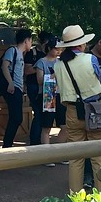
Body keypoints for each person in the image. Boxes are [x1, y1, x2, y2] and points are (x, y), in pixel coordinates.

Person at [53, 25, 101, 193]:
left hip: (71, 111)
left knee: (76, 158)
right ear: (82, 44)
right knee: (98, 156)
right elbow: (98, 78)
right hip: (94, 109)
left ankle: (75, 197)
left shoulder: (58, 65)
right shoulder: (90, 59)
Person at [34, 36, 66, 165]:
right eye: (56, 49)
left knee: (65, 126)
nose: (59, 51)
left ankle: (58, 154)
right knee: (46, 126)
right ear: (49, 48)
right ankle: (47, 156)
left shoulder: (61, 62)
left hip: (61, 94)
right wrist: (55, 74)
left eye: (60, 49)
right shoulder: (41, 61)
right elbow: (40, 81)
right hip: (47, 94)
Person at [1, 28, 34, 148]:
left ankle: (7, 144)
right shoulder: (12, 50)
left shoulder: (21, 54)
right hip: (12, 88)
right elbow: (4, 66)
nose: (31, 43)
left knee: (16, 117)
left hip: (18, 89)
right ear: (26, 40)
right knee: (16, 117)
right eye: (30, 40)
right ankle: (7, 145)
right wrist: (10, 83)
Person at [27, 31, 53, 145]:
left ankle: (40, 142)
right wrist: (39, 66)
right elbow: (26, 71)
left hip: (49, 90)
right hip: (34, 88)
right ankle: (34, 142)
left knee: (46, 119)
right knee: (38, 115)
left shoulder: (52, 57)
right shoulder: (32, 53)